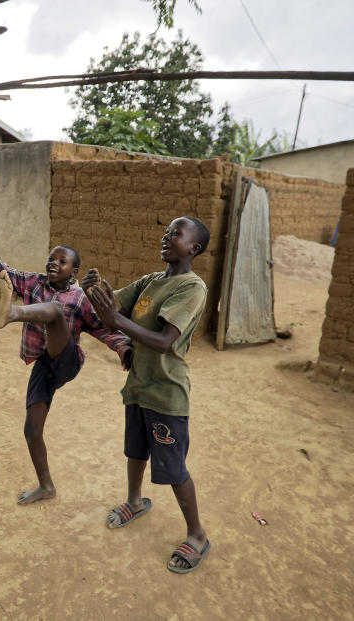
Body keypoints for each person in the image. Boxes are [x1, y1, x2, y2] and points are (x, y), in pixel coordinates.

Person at [0, 219, 132, 505]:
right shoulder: (34, 282)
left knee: (54, 310)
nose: (53, 263)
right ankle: (46, 486)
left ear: (74, 271)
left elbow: (103, 329)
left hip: (67, 361)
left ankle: (11, 313)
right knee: (31, 430)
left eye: (61, 261)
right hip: (44, 364)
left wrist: (123, 348)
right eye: (51, 258)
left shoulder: (79, 298)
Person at [81, 215, 212, 574]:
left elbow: (164, 340)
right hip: (138, 386)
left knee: (173, 467)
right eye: (166, 230)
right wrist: (94, 291)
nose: (167, 236)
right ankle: (135, 501)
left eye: (177, 233)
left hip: (166, 393)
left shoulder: (191, 287)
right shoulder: (152, 281)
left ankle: (197, 535)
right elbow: (111, 309)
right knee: (135, 450)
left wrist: (117, 321)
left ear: (194, 247)